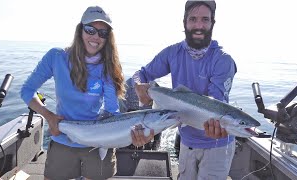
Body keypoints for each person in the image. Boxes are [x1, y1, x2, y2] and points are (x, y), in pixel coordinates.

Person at [20, 5, 133, 180]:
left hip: (99, 141)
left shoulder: (109, 67)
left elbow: (111, 112)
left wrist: (129, 134)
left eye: (103, 33)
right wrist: (49, 116)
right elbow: (27, 91)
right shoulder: (56, 57)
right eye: (90, 30)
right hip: (62, 138)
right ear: (80, 30)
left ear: (108, 37)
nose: (96, 37)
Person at [131, 1, 237, 179]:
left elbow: (214, 102)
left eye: (205, 19)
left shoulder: (222, 60)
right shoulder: (173, 53)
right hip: (186, 142)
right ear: (184, 22)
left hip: (217, 145)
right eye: (193, 19)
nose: (198, 26)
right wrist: (139, 85)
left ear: (212, 23)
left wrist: (214, 123)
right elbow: (141, 74)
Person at [119, 78, 161, 150]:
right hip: (128, 117)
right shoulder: (126, 87)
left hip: (148, 117)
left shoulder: (154, 89)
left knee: (156, 122)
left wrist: (155, 147)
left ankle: (153, 148)